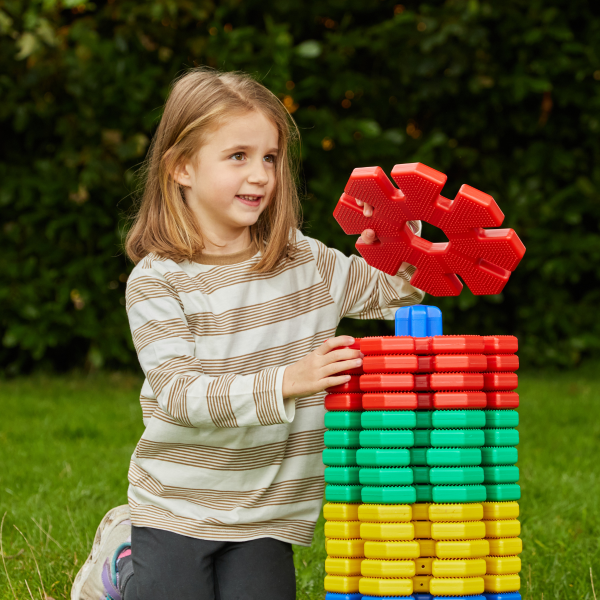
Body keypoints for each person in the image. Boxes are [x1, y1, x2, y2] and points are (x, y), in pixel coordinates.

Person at [71, 67, 424, 600]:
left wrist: (402, 246)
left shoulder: (303, 260)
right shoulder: (158, 281)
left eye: (270, 157)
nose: (260, 174)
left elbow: (391, 292)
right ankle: (122, 565)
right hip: (177, 504)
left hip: (267, 509)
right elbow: (179, 395)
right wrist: (285, 382)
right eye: (238, 156)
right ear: (182, 167)